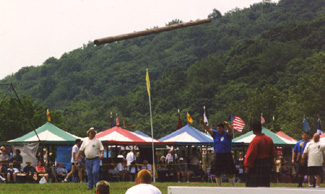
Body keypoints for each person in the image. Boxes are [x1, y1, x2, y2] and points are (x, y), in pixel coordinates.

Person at [200, 119, 237, 186]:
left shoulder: (227, 134)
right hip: (218, 155)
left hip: (227, 155)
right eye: (217, 128)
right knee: (217, 172)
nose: (218, 130)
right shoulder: (215, 134)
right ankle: (219, 186)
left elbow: (230, 130)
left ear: (223, 128)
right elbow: (208, 129)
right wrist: (203, 124)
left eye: (220, 128)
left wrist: (227, 125)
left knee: (229, 172)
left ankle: (233, 185)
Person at [244, 120, 274, 187]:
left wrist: (248, 166)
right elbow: (272, 154)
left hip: (256, 165)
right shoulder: (269, 139)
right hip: (266, 164)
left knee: (252, 186)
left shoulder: (255, 140)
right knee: (264, 186)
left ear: (253, 129)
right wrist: (271, 164)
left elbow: (251, 155)